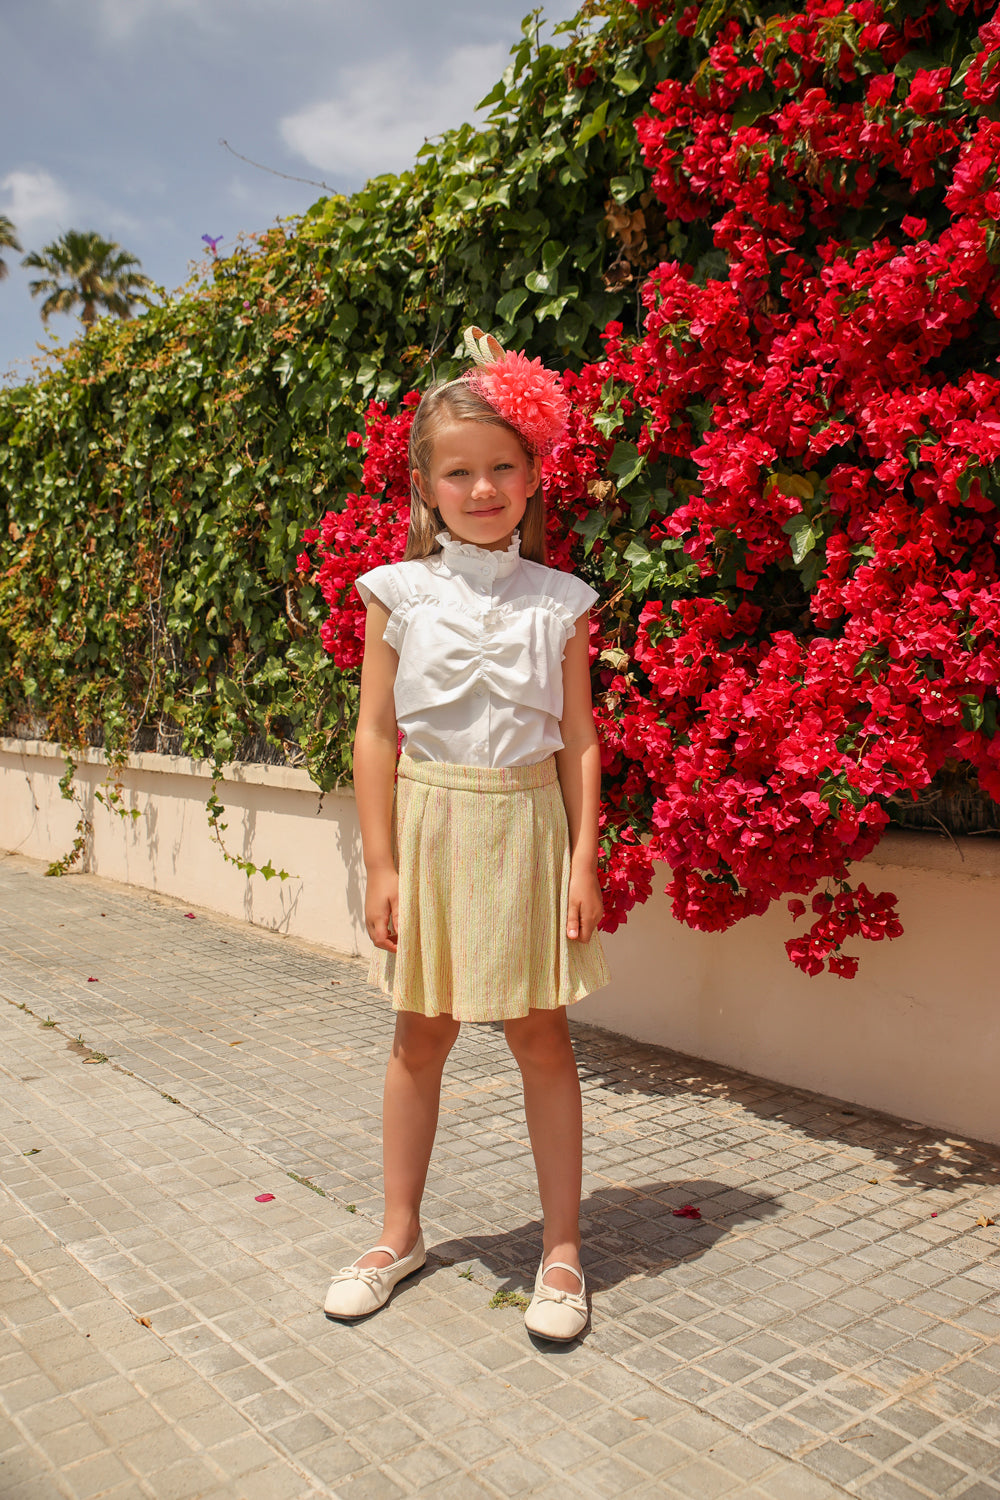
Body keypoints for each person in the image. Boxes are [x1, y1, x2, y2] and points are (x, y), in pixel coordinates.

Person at [323, 328, 610, 1341]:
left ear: (534, 475)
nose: (481, 487)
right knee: (421, 1035)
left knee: (541, 1034)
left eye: (501, 467)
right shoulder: (394, 594)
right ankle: (398, 1233)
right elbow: (372, 733)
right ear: (424, 483)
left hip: (528, 826)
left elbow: (577, 738)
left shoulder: (562, 603)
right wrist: (383, 864)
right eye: (459, 471)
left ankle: (564, 1249)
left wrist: (583, 858)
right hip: (431, 823)